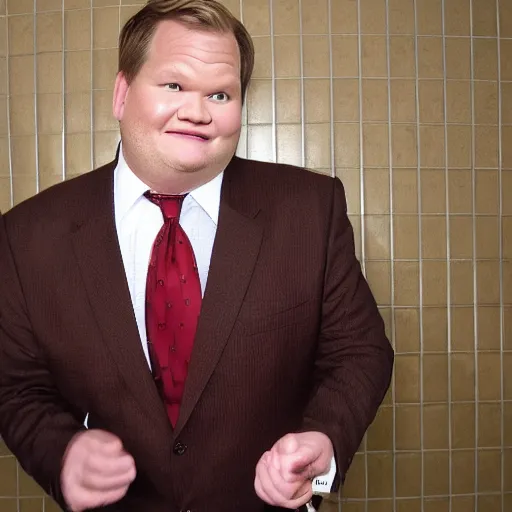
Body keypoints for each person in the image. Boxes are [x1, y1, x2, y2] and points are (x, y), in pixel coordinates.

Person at [0, 1, 393, 511]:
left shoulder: (310, 210)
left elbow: (360, 353)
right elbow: (15, 388)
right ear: (122, 93)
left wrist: (325, 447)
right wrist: (61, 451)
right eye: (173, 86)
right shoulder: (27, 235)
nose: (198, 111)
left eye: (220, 93)